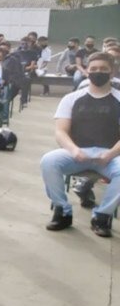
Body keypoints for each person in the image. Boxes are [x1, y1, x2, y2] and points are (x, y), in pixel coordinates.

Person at [41, 52, 120, 238]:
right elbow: (60, 131)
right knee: (49, 161)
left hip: (111, 155)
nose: (97, 72)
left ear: (112, 72)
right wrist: (73, 150)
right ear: (87, 71)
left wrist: (110, 154)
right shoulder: (71, 99)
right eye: (93, 69)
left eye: (103, 69)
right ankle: (63, 211)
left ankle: (102, 216)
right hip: (77, 153)